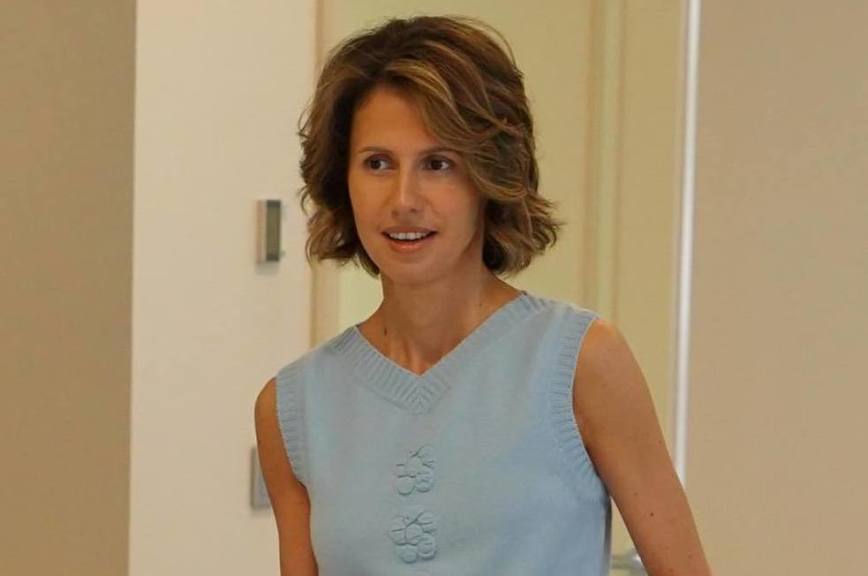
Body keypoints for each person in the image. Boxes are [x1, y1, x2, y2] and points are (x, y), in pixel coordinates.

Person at [254, 14, 711, 576]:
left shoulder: (580, 361)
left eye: (438, 164)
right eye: (378, 163)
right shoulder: (294, 407)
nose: (404, 199)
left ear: (488, 177)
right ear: (341, 180)